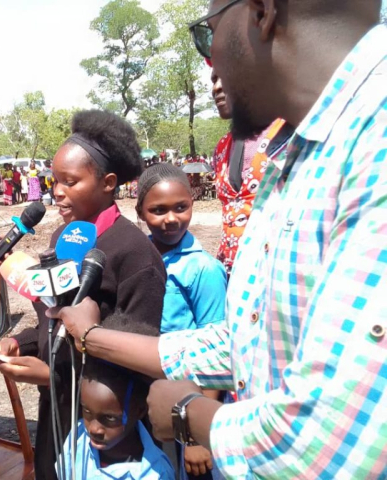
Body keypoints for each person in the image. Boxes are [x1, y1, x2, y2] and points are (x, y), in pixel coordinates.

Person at [52, 1, 387, 478]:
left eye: (207, 34)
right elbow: (247, 341)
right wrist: (92, 338)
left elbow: (333, 442)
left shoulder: (375, 145)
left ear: (262, 12)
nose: (211, 66)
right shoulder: (305, 150)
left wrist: (191, 416)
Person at [0, 110, 166, 480]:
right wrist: (23, 343)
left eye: (70, 181)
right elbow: (53, 317)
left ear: (108, 183)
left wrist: (52, 375)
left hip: (109, 432)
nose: (56, 191)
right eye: (55, 180)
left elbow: (138, 359)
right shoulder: (62, 238)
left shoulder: (135, 254)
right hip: (56, 414)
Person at [136, 163, 227, 480]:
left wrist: (195, 435)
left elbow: (217, 352)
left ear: (193, 202)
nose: (171, 219)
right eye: (158, 210)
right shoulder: (139, 258)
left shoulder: (203, 269)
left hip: (189, 402)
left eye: (181, 207)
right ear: (140, 212)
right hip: (148, 398)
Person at [210, 72, 292, 275]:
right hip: (230, 271)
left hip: (272, 272)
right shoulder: (222, 147)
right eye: (213, 80)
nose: (216, 87)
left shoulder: (289, 135)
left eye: (224, 76)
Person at [61, 344, 174, 479]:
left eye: (109, 418)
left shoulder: (156, 474)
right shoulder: (78, 437)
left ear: (140, 411)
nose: (94, 429)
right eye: (87, 411)